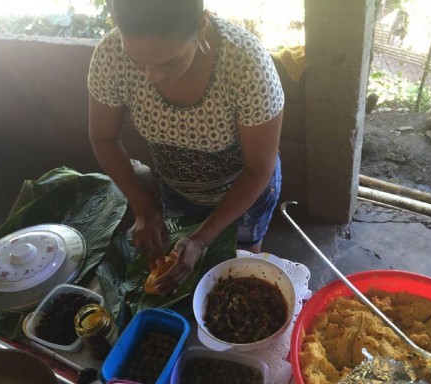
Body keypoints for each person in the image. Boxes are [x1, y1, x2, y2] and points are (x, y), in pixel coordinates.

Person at [87, 0, 284, 296]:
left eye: (169, 62)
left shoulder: (246, 64)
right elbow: (103, 138)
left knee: (238, 270)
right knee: (181, 272)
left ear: (202, 26)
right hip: (176, 189)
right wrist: (143, 207)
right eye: (138, 62)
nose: (151, 76)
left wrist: (202, 238)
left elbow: (258, 169)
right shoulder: (111, 55)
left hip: (244, 192)